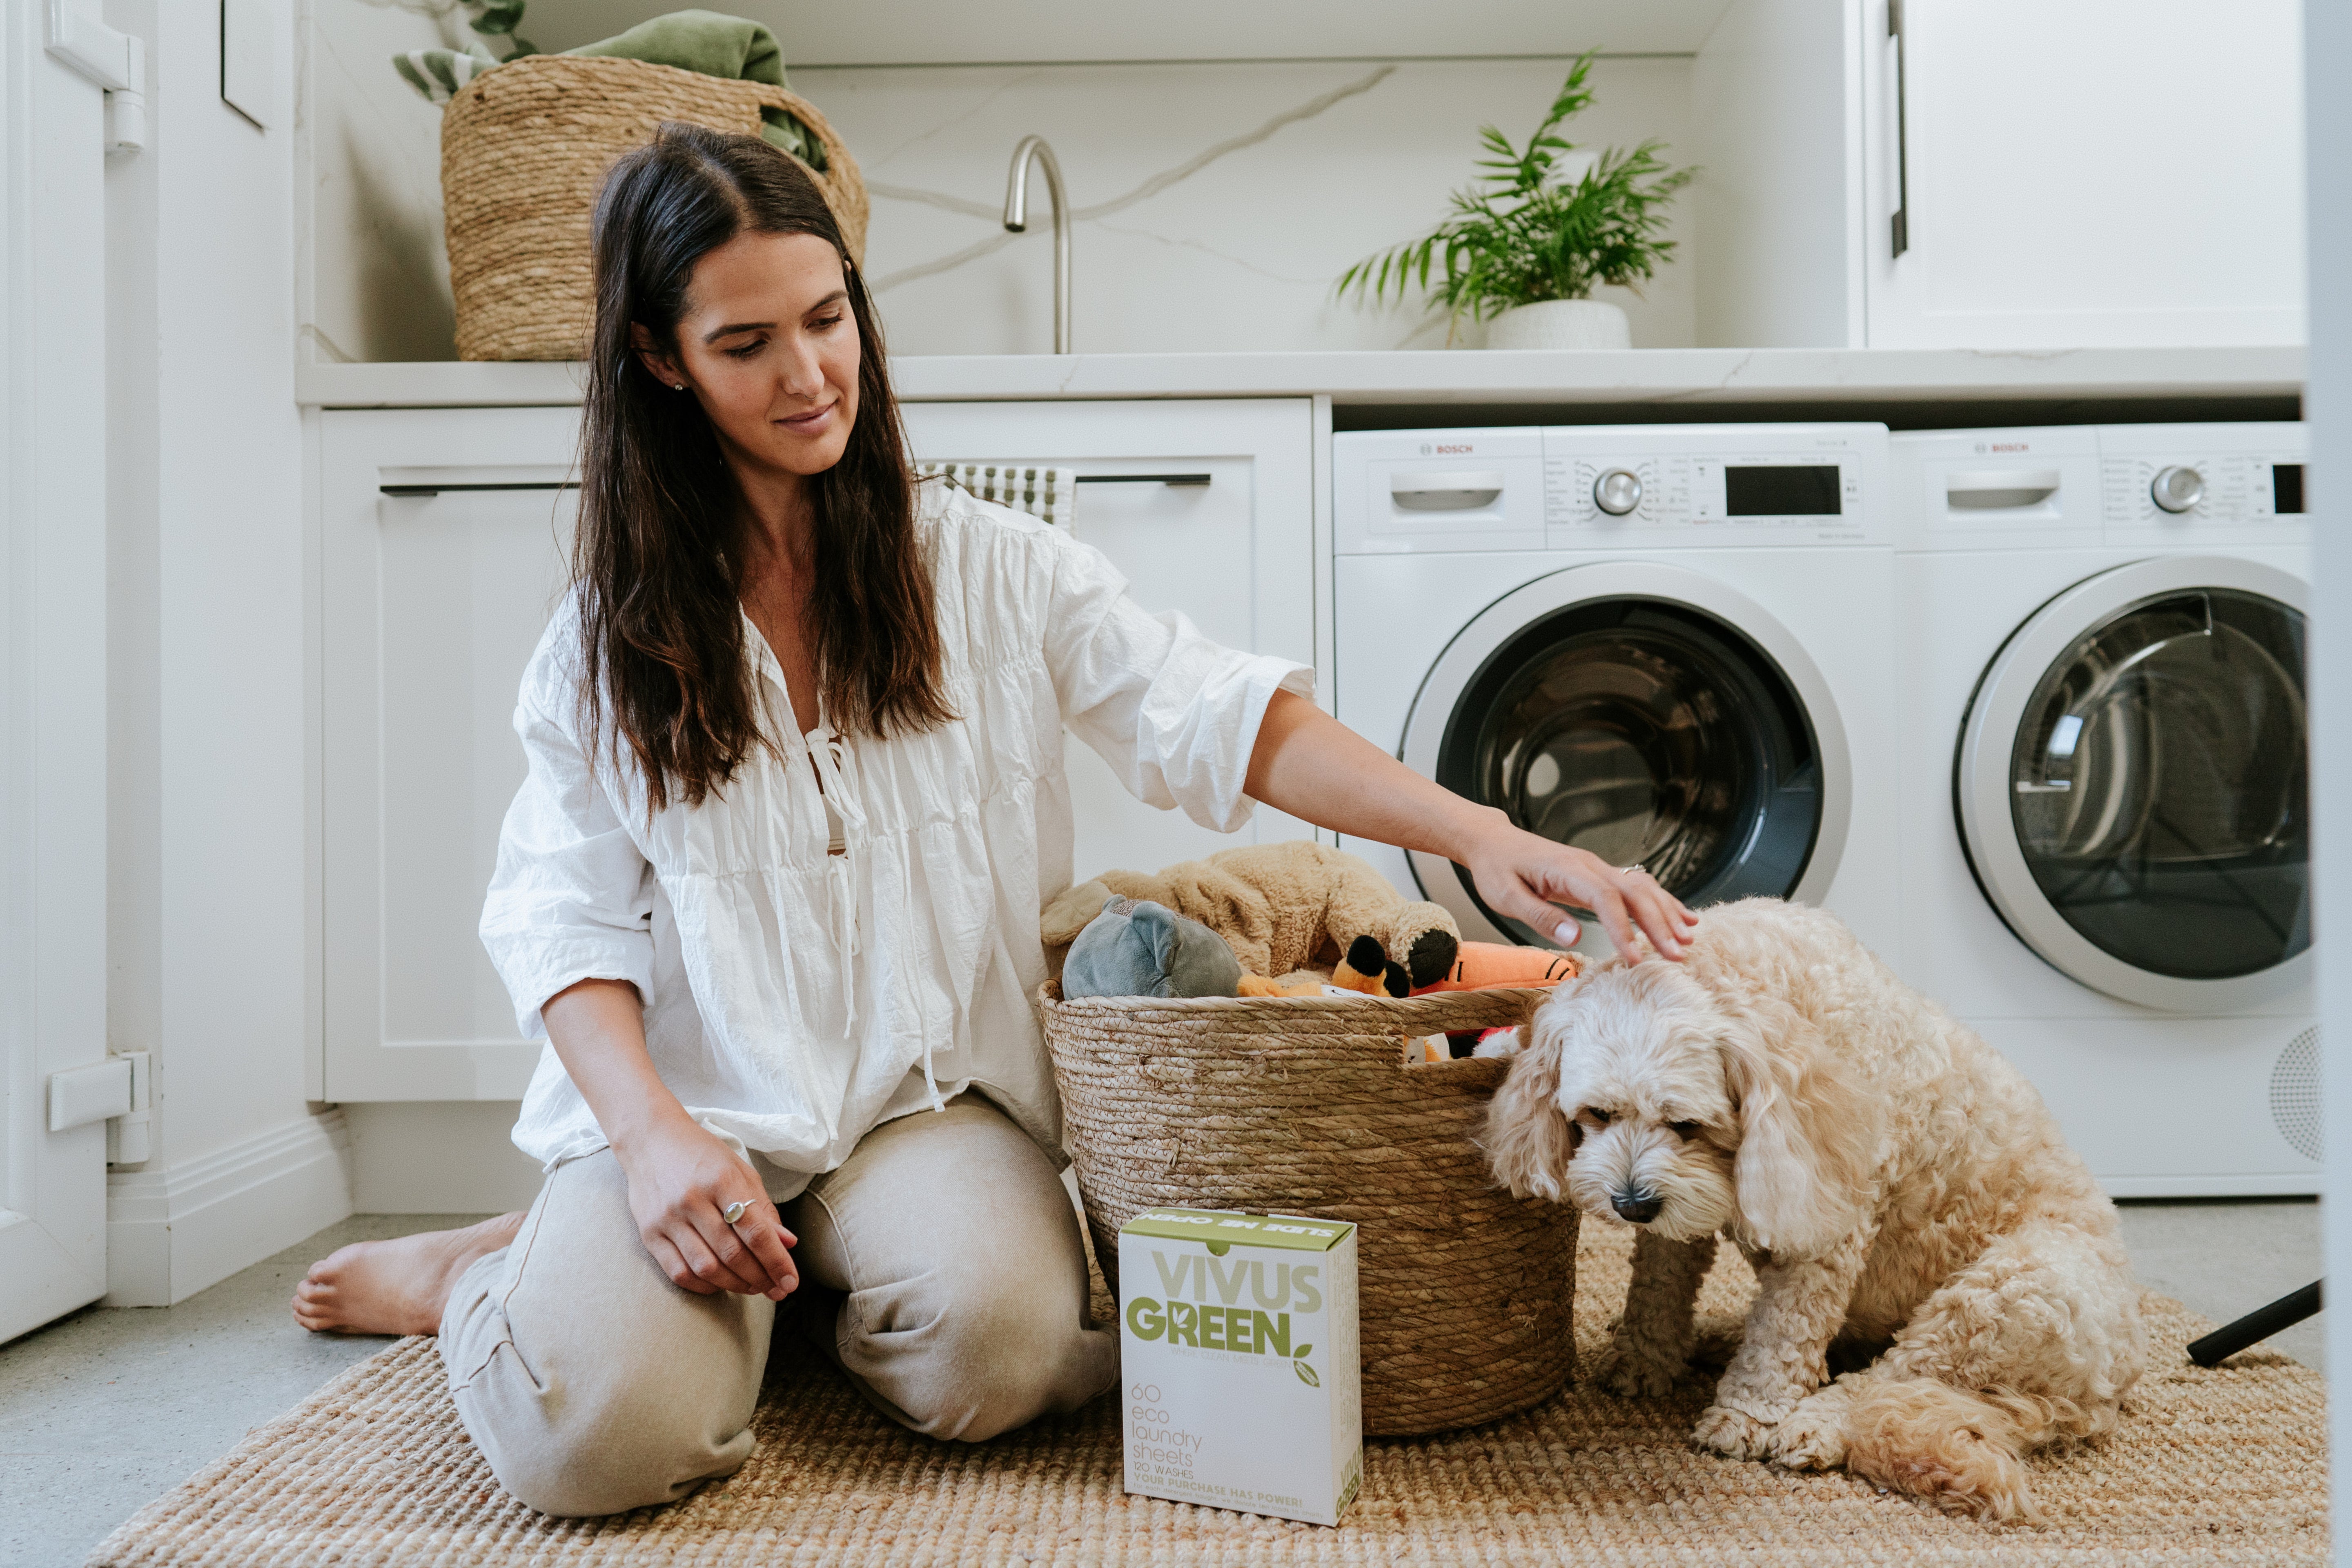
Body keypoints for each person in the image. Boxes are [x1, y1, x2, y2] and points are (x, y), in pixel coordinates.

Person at [292, 122, 1694, 1518]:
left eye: (828, 319)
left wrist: (1480, 833)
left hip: (926, 1102)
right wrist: (652, 1143)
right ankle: (492, 1272)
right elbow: (564, 920)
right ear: (664, 359)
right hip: (694, 1107)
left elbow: (1219, 716)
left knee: (1000, 1359)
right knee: (592, 1446)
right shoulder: (607, 643)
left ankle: (769, 1287)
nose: (810, 376)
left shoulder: (986, 568)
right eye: (747, 345)